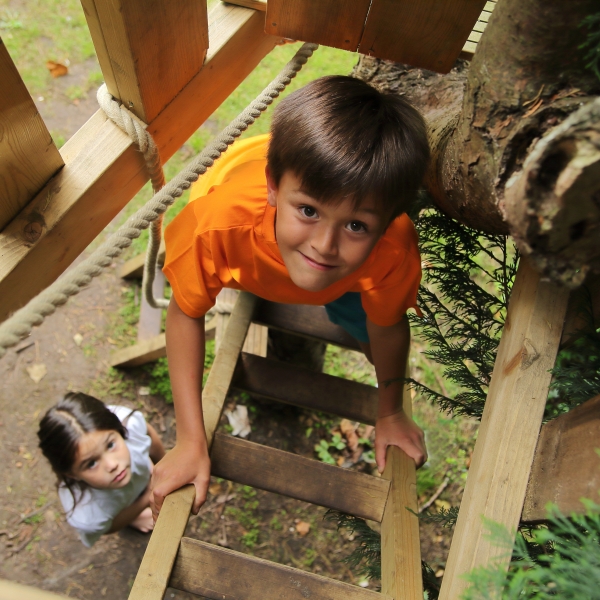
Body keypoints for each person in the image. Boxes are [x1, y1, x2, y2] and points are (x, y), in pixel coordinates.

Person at [152, 75, 430, 519]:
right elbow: (185, 313)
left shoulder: (392, 248)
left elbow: (389, 324)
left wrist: (391, 411)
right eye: (309, 211)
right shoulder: (217, 228)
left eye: (356, 225)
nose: (324, 243)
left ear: (389, 221)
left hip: (346, 281)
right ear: (274, 188)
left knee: (370, 335)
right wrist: (190, 440)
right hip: (246, 243)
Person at [37, 392, 165, 547]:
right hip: (121, 505)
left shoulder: (128, 423)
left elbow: (147, 432)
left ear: (119, 429)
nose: (112, 465)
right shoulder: (88, 514)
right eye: (91, 463)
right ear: (71, 474)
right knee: (122, 510)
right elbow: (109, 526)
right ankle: (133, 517)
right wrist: (149, 495)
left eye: (111, 445)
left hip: (142, 480)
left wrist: (163, 466)